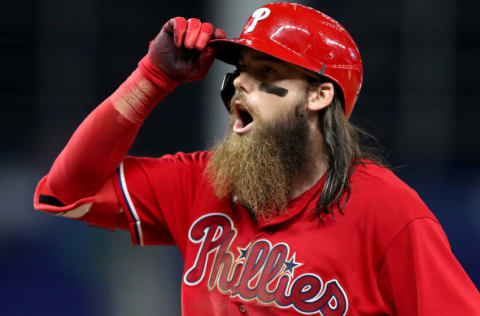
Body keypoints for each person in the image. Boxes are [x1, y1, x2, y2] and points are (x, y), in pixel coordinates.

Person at [34, 2, 480, 315]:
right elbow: (67, 190)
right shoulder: (202, 181)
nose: (241, 83)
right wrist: (151, 78)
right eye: (241, 70)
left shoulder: (387, 210)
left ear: (321, 95)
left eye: (266, 72)